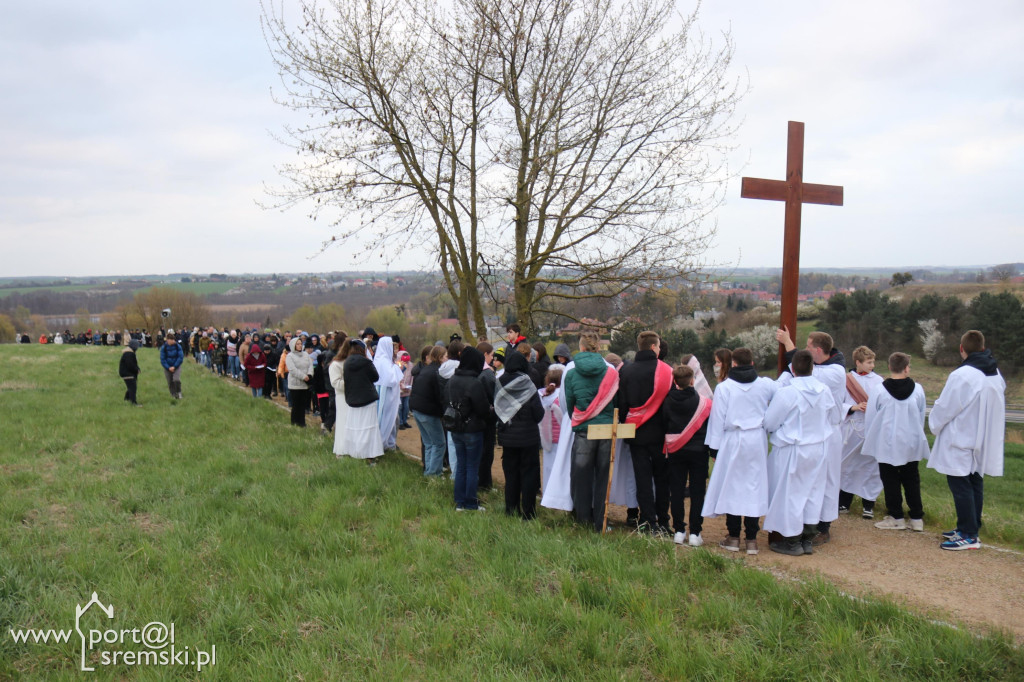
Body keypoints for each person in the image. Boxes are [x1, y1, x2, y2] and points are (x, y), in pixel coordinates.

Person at [927, 330, 1006, 550]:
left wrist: (935, 424)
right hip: (981, 438)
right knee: (974, 481)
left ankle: (969, 535)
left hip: (960, 437)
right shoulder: (995, 373)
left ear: (962, 349)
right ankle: (968, 527)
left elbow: (946, 406)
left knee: (960, 485)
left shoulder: (963, 375)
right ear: (983, 347)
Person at [763, 350, 839, 556]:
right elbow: (832, 416)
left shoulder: (787, 392)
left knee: (790, 494)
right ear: (812, 368)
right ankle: (808, 538)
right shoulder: (824, 390)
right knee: (813, 493)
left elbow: (770, 422)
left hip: (793, 449)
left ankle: (792, 541)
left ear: (793, 369)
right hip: (818, 448)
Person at [702, 347, 776, 555]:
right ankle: (751, 539)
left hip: (732, 439)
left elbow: (717, 419)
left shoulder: (724, 388)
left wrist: (713, 449)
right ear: (752, 363)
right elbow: (784, 389)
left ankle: (733, 537)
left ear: (733, 364)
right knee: (753, 486)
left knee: (732, 486)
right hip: (756, 440)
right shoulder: (764, 385)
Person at [776, 328, 847, 544]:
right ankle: (806, 523)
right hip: (814, 432)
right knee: (811, 480)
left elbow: (805, 371)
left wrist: (789, 344)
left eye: (807, 346)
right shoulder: (823, 366)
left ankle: (823, 527)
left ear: (818, 350)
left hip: (830, 432)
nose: (805, 350)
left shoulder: (835, 371)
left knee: (828, 480)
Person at [863, 352, 930, 532]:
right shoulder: (918, 389)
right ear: (906, 368)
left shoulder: (879, 390)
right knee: (911, 479)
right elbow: (921, 413)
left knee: (890, 479)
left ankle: (896, 517)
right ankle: (916, 518)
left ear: (890, 367)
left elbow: (871, 417)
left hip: (886, 442)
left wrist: (872, 438)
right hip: (911, 441)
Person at [618, 330, 673, 535]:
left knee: (642, 479)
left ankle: (647, 521)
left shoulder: (626, 371)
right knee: (661, 480)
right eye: (658, 346)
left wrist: (627, 422)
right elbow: (670, 405)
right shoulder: (667, 371)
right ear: (653, 347)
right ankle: (664, 522)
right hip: (661, 434)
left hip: (636, 432)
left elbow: (622, 405)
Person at [563, 331, 619, 532]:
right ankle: (601, 521)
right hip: (605, 429)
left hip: (584, 430)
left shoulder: (570, 373)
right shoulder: (611, 371)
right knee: (603, 475)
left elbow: (569, 405)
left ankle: (582, 519)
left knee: (581, 476)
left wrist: (580, 420)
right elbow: (616, 402)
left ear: (581, 347)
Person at [662, 364, 712, 547]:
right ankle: (695, 532)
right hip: (699, 451)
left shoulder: (667, 401)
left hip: (675, 450)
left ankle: (679, 531)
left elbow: (664, 423)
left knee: (676, 490)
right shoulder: (704, 402)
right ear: (692, 380)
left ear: (675, 381)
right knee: (698, 491)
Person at [495, 350, 545, 518]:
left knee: (511, 475)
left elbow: (496, 409)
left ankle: (511, 509)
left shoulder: (499, 382)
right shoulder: (528, 383)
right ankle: (529, 513)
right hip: (528, 439)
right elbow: (538, 413)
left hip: (507, 438)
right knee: (529, 475)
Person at [838, 346, 885, 518]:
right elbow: (838, 403)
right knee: (846, 465)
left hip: (871, 428)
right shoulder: (845, 380)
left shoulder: (879, 381)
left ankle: (868, 505)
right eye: (869, 362)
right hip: (851, 428)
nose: (872, 365)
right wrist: (853, 407)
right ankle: (843, 502)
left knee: (870, 467)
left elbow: (884, 403)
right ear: (858, 362)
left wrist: (872, 408)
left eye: (873, 361)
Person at [445, 347, 492, 511]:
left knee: (461, 466)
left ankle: (460, 502)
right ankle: (471, 503)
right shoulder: (474, 383)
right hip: (472, 429)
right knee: (472, 467)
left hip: (456, 429)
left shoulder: (452, 380)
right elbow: (483, 409)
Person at [343, 340, 385, 462]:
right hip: (367, 398)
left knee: (354, 426)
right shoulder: (366, 362)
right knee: (368, 428)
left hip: (352, 398)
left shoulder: (347, 363)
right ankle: (368, 454)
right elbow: (375, 377)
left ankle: (354, 451)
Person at [410, 345, 447, 476]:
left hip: (417, 409)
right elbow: (440, 396)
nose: (447, 359)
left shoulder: (425, 370)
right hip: (428, 411)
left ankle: (429, 471)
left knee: (429, 443)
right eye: (446, 356)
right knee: (439, 443)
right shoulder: (437, 372)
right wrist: (444, 412)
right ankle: (433, 474)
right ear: (440, 357)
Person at [372, 335, 403, 450]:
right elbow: (390, 379)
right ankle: (383, 443)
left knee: (391, 420)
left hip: (387, 395)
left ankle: (389, 442)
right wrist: (396, 368)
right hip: (385, 396)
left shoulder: (381, 360)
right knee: (385, 419)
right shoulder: (383, 362)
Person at [329, 337, 351, 457]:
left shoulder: (352, 362)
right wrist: (351, 382)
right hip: (343, 397)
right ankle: (341, 450)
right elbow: (336, 383)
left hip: (354, 397)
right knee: (343, 423)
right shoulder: (336, 364)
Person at [285, 337, 313, 427]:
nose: (300, 345)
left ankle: (302, 422)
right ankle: (294, 422)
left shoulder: (306, 354)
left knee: (303, 405)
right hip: (295, 384)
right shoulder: (290, 356)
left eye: (301, 343)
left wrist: (309, 375)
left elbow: (310, 365)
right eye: (297, 344)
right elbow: (292, 369)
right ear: (293, 345)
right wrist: (303, 376)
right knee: (296, 405)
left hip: (305, 384)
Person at [159, 332, 184, 399]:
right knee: (170, 382)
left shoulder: (178, 346)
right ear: (167, 340)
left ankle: (179, 392)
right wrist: (168, 367)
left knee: (176, 380)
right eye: (171, 340)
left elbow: (180, 357)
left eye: (173, 340)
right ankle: (173, 394)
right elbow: (162, 359)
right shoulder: (163, 348)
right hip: (167, 367)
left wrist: (174, 366)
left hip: (176, 366)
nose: (173, 341)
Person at [119, 339, 141, 405]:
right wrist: (136, 369)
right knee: (132, 387)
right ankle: (133, 402)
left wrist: (137, 368)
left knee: (130, 386)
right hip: (127, 373)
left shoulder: (129, 353)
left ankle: (127, 399)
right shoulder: (129, 354)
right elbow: (130, 364)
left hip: (127, 373)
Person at [398, 351, 413, 429]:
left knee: (406, 406)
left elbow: (412, 377)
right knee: (400, 407)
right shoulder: (398, 364)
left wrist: (410, 386)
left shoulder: (411, 365)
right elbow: (397, 376)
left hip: (407, 390)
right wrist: (401, 386)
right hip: (400, 390)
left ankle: (404, 421)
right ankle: (400, 423)